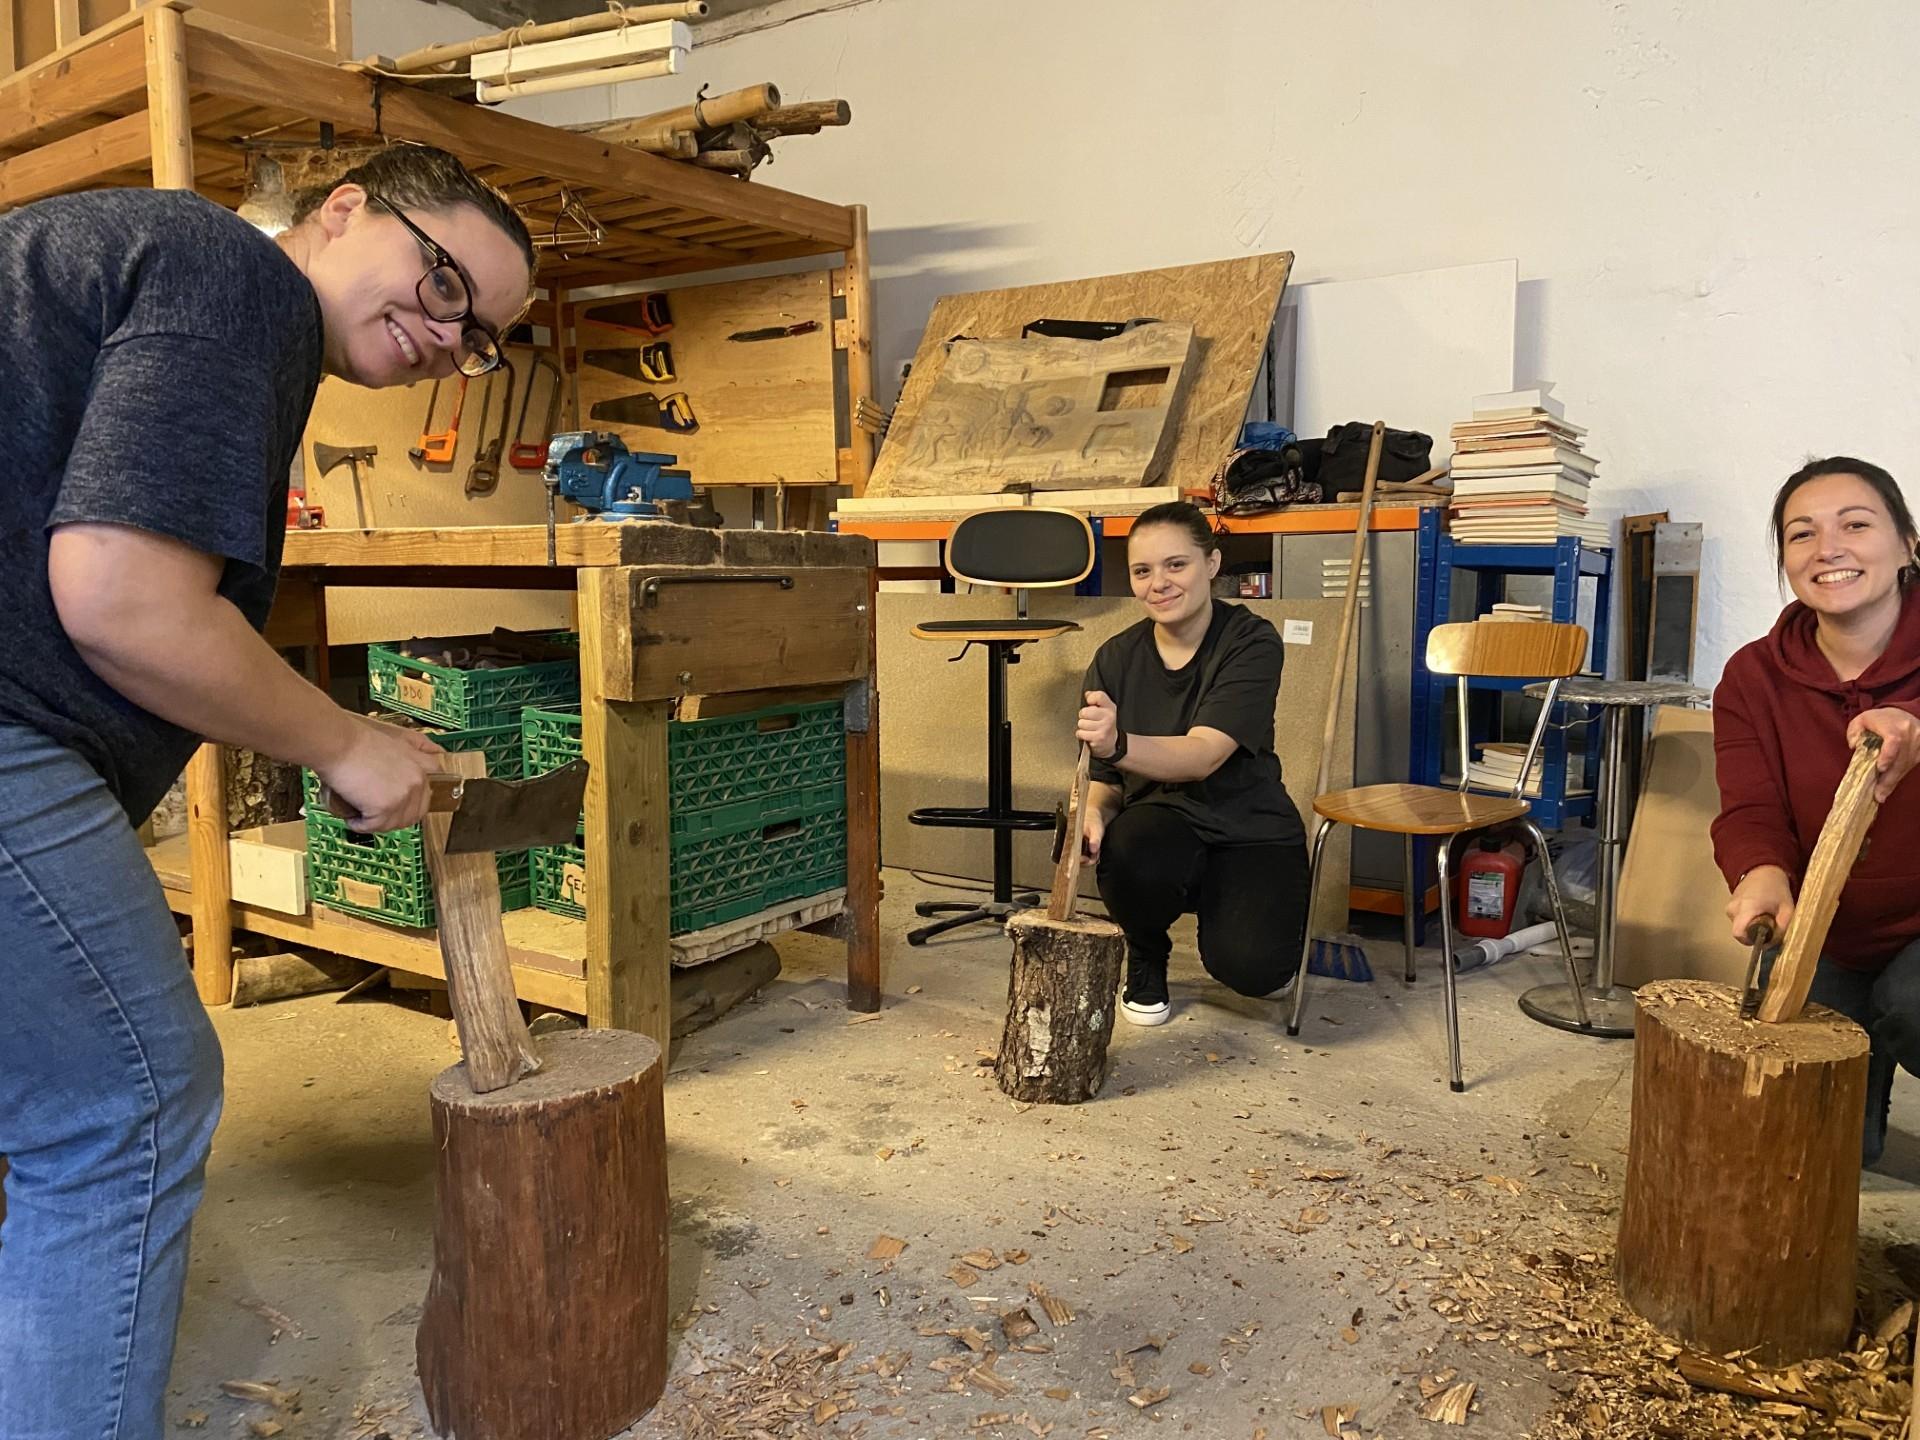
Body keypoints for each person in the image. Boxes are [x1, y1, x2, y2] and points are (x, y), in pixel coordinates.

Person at [0, 145, 535, 1436]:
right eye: (446, 280)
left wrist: (330, 730)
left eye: (483, 338)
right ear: (343, 209)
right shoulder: (238, 279)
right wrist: (343, 745)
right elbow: (122, 598)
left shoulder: (166, 275)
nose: (448, 335)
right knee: (127, 1101)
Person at [1713, 457, 1920, 1166]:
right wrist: (1760, 872)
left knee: (1916, 1005)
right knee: (1811, 1158)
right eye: (1802, 535)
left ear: (1907, 544)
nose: (1827, 548)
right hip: (1824, 932)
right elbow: (1749, 805)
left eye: (1855, 525)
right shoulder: (1752, 675)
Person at [1074, 501, 1310, 1026]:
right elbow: (1107, 779)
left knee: (1255, 973)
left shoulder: (1251, 641)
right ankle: (1147, 951)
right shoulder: (1114, 658)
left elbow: (1203, 755)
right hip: (1161, 825)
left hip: (1248, 826)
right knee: (1130, 842)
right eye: (1142, 570)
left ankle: (1236, 910)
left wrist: (1117, 744)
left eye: (1175, 564)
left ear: (1212, 563)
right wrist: (1092, 815)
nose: (1159, 583)